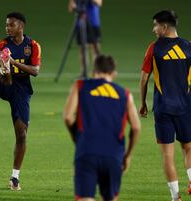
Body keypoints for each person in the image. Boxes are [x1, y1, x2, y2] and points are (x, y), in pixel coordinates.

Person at [64, 55, 140, 201]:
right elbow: (136, 127)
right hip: (113, 156)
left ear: (94, 71)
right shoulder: (125, 94)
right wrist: (127, 155)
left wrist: (77, 137)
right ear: (113, 73)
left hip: (87, 152)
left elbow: (68, 117)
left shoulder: (80, 86)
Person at [0, 12, 41, 190]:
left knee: (22, 135)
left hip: (22, 90)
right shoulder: (1, 45)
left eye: (11, 25)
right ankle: (4, 68)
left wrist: (14, 62)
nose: (7, 28)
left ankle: (15, 177)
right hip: (3, 85)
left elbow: (35, 71)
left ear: (21, 27)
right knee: (5, 73)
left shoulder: (32, 46)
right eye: (6, 25)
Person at [139, 10, 191, 201]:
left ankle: (175, 197)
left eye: (155, 25)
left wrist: (142, 103)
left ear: (164, 27)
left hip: (163, 109)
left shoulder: (154, 48)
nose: (153, 29)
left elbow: (144, 78)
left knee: (167, 155)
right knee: (188, 148)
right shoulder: (189, 47)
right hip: (186, 106)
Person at [68, 0, 102, 78]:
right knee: (82, 49)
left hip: (93, 22)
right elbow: (70, 8)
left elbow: (99, 3)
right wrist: (74, 7)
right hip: (80, 23)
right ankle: (84, 72)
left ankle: (96, 72)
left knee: (95, 49)